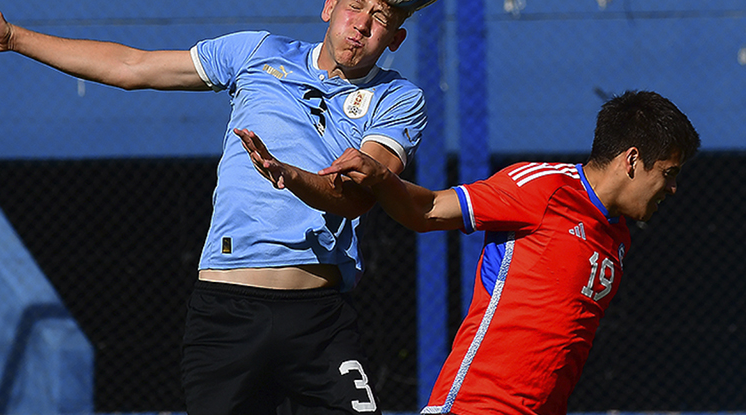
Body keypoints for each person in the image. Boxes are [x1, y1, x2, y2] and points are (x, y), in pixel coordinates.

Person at [0, 0, 432, 414]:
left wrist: (290, 177)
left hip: (320, 319)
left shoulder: (398, 100)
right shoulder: (256, 52)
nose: (361, 25)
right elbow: (132, 66)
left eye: (381, 18)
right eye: (355, 6)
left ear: (397, 38)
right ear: (329, 7)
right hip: (226, 313)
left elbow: (358, 199)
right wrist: (14, 38)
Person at [234, 90, 701, 415]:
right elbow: (431, 209)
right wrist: (380, 178)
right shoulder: (543, 188)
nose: (675, 188)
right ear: (632, 159)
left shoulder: (617, 235)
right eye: (670, 173)